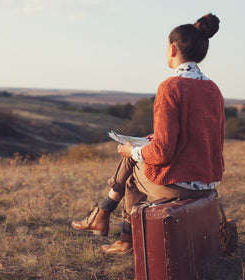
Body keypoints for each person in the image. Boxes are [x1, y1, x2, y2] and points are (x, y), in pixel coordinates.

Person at [71, 13, 224, 255]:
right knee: (137, 156)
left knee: (133, 168)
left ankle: (115, 230)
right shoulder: (213, 89)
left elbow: (163, 153)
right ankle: (105, 220)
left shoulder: (170, 87)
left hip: (180, 187)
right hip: (207, 182)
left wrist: (131, 150)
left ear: (172, 49)